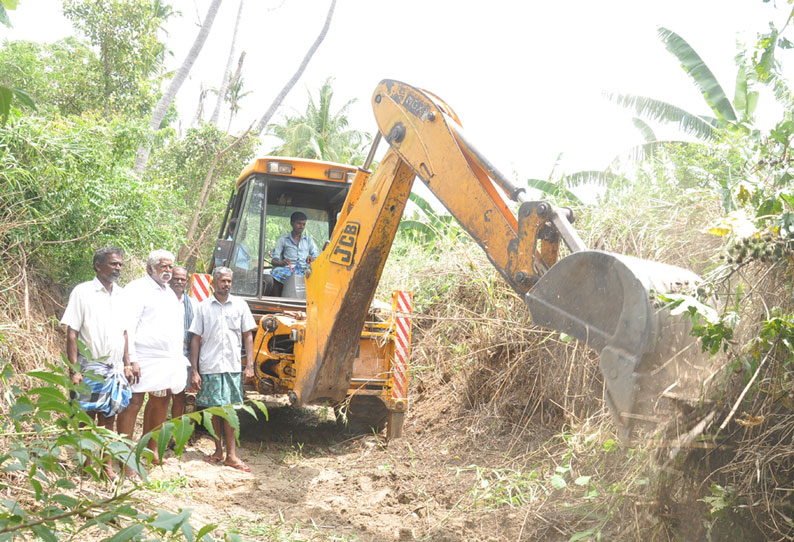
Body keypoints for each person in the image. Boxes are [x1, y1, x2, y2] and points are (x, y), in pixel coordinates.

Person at [60, 246, 139, 480]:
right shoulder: (82, 292)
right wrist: (74, 369)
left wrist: (127, 364)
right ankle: (85, 465)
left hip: (114, 368)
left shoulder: (122, 295)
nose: (118, 268)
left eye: (120, 264)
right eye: (114, 264)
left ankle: (106, 467)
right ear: (98, 266)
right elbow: (72, 333)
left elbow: (125, 333)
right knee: (86, 418)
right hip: (88, 367)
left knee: (109, 418)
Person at [117, 249, 187, 471]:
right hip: (142, 358)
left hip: (165, 361)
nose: (167, 271)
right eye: (163, 266)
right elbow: (127, 326)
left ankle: (150, 451)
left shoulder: (168, 292)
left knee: (161, 402)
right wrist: (131, 360)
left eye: (170, 267)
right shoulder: (137, 289)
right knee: (133, 403)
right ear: (150, 268)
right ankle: (124, 455)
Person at [188, 267, 256, 472]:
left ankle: (232, 455)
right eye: (223, 281)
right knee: (214, 411)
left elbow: (248, 336)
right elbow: (195, 340)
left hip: (233, 366)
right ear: (214, 282)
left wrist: (250, 366)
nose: (226, 284)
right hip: (210, 366)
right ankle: (218, 451)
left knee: (231, 411)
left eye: (229, 281)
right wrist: (195, 371)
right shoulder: (202, 307)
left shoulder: (240, 305)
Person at [269, 211, 319, 296]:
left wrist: (312, 257)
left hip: (305, 269)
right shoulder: (283, 240)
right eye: (299, 223)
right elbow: (274, 260)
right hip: (288, 269)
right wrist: (280, 263)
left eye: (303, 224)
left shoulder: (309, 240)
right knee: (275, 273)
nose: (301, 227)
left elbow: (316, 254)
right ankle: (277, 303)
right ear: (292, 223)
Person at [169, 265, 195, 421]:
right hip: (164, 355)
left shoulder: (192, 304)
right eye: (176, 278)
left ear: (187, 282)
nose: (179, 282)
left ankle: (175, 434)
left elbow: (196, 335)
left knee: (179, 397)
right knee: (161, 397)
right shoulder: (162, 300)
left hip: (183, 355)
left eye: (182, 279)